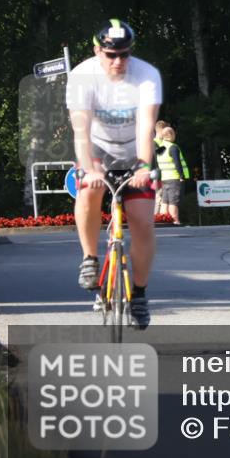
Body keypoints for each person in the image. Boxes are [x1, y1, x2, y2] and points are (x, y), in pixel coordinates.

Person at [66, 19, 162, 330]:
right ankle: (90, 258)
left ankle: (140, 294)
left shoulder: (146, 75)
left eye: (124, 54)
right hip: (98, 149)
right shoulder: (82, 76)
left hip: (136, 151)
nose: (118, 61)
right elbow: (81, 129)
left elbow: (146, 125)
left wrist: (145, 165)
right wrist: (89, 167)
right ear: (97, 51)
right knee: (89, 189)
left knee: (143, 222)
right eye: (111, 55)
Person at [156, 126, 189, 224]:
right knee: (173, 202)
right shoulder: (173, 147)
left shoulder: (160, 148)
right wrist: (181, 176)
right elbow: (177, 163)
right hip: (174, 178)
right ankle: (175, 221)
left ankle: (163, 221)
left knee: (165, 202)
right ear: (171, 135)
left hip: (165, 179)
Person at [152, 120, 168, 216]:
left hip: (159, 175)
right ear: (160, 131)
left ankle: (157, 217)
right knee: (158, 197)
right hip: (157, 175)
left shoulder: (157, 143)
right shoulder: (156, 144)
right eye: (165, 132)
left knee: (159, 197)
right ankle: (156, 218)